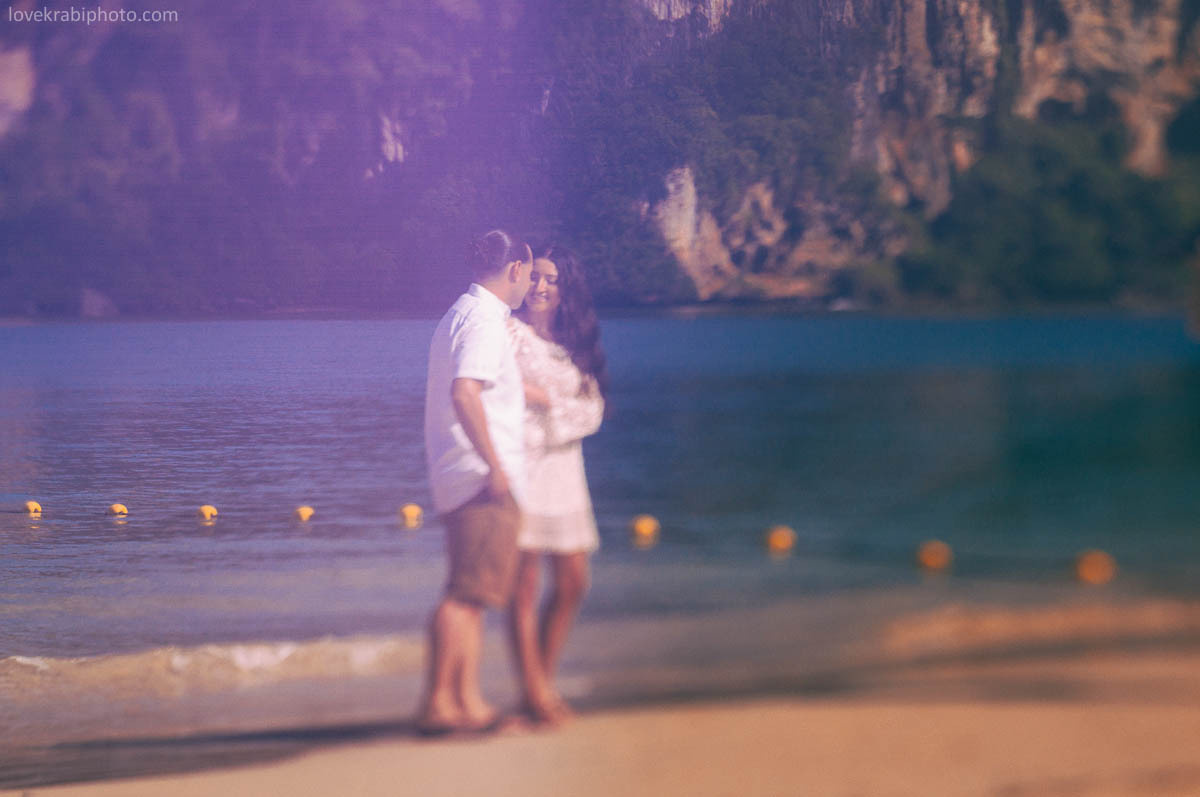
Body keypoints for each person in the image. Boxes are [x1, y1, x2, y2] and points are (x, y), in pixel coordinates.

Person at [418, 229, 533, 734]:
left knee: (475, 594)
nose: (530, 284)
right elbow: (465, 393)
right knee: (466, 594)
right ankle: (442, 705)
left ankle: (468, 703)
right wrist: (495, 464)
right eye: (530, 273)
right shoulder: (484, 321)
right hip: (479, 474)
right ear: (515, 270)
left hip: (460, 471)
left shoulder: (463, 314)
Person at [506, 244, 607, 725]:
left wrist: (543, 400)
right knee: (522, 587)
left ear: (566, 289)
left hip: (566, 472)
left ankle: (539, 682)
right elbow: (496, 393)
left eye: (551, 280)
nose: (541, 287)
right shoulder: (508, 333)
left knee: (572, 581)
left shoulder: (575, 341)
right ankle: (535, 693)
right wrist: (552, 408)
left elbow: (594, 411)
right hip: (523, 468)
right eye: (534, 277)